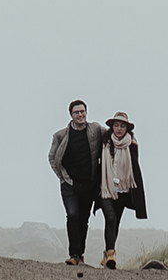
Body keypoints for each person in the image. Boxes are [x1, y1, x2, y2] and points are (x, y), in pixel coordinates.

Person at [47, 99, 105, 265]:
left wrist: (131, 137)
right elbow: (51, 157)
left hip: (89, 184)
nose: (80, 115)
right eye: (76, 112)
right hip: (69, 185)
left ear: (86, 112)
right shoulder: (60, 135)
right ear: (71, 115)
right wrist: (63, 177)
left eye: (82, 111)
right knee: (72, 215)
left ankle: (80, 255)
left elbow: (113, 135)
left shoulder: (95, 129)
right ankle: (74, 255)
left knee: (83, 219)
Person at [96, 113, 147, 270]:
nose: (119, 129)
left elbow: (135, 169)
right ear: (112, 127)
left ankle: (107, 256)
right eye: (116, 125)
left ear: (127, 129)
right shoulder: (104, 142)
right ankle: (111, 254)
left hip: (123, 190)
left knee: (115, 222)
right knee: (110, 217)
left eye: (122, 126)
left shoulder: (132, 145)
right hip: (105, 188)